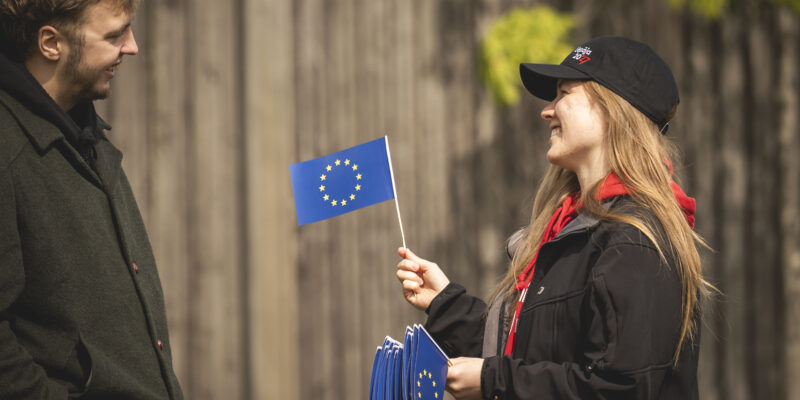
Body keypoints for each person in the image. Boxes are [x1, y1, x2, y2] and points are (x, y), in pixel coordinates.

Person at [396, 36, 712, 399]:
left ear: (612, 110)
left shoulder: (635, 240)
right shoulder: (568, 233)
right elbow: (527, 357)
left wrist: (492, 380)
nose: (547, 111)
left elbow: (620, 389)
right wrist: (446, 304)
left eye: (563, 93)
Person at [0, 1, 183, 398]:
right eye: (114, 35)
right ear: (51, 43)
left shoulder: (82, 128)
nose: (132, 47)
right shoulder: (7, 147)